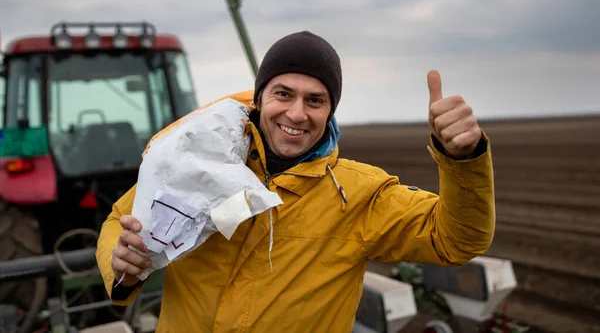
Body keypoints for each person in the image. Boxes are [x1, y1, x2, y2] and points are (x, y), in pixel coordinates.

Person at [96, 30, 495, 332]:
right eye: (283, 94)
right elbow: (120, 218)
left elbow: (457, 240)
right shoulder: (195, 164)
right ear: (259, 98)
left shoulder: (358, 195)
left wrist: (462, 159)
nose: (297, 113)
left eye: (315, 100)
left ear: (330, 111)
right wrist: (123, 260)